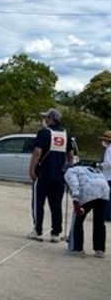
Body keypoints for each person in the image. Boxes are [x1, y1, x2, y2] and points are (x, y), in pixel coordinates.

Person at [27, 108, 73, 242]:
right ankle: (56, 233)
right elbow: (70, 154)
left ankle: (38, 230)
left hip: (43, 173)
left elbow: (37, 152)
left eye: (46, 117)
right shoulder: (66, 134)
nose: (45, 120)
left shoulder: (44, 132)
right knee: (56, 204)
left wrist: (32, 169)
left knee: (38, 203)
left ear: (51, 118)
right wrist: (68, 168)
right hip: (59, 175)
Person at [64, 163, 109, 257]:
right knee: (99, 221)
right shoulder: (89, 168)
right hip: (104, 192)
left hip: (88, 192)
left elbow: (74, 183)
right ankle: (99, 249)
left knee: (78, 220)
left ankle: (77, 248)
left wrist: (76, 200)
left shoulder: (70, 171)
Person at [96, 130, 111, 222]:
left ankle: (107, 215)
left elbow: (108, 163)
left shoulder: (109, 150)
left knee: (107, 196)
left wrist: (100, 165)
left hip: (108, 175)